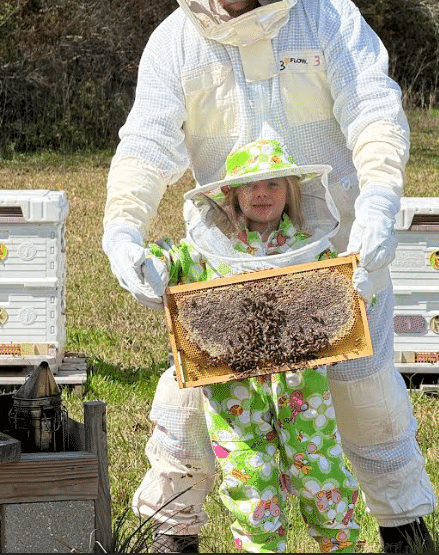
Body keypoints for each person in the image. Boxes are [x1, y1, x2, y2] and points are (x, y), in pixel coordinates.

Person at [103, 0, 436, 554]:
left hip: (337, 250)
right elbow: (148, 142)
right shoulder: (175, 41)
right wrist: (122, 228)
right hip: (225, 260)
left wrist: (379, 202)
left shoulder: (326, 14)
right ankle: (172, 533)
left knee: (365, 390)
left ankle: (404, 525)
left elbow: (373, 111)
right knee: (192, 395)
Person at [139, 138, 360, 553]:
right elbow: (176, 256)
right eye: (251, 186)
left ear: (290, 191)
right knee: (250, 483)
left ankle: (340, 546)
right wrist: (153, 263)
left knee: (323, 477)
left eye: (273, 184)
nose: (262, 194)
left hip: (303, 390)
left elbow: (341, 294)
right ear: (233, 195)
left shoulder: (310, 247)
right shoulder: (211, 248)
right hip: (233, 393)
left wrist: (360, 285)